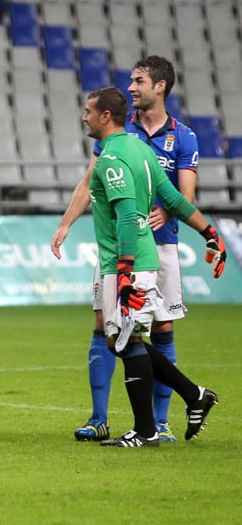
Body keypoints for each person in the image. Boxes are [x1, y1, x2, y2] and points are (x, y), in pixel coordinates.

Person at [52, 57, 203, 443]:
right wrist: (67, 222)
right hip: (121, 246)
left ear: (161, 87)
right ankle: (100, 417)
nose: (132, 88)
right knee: (107, 327)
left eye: (139, 82)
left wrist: (161, 212)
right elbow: (89, 183)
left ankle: (160, 421)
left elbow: (184, 197)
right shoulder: (121, 132)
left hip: (158, 244)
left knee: (159, 328)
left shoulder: (182, 137)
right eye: (131, 83)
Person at [77, 86, 223, 447]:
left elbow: (127, 215)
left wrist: (124, 270)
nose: (84, 117)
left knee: (125, 342)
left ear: (105, 116)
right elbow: (172, 198)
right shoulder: (140, 150)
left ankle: (146, 431)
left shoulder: (111, 160)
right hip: (138, 259)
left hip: (126, 263)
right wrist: (208, 231)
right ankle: (194, 396)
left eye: (88, 111)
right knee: (122, 339)